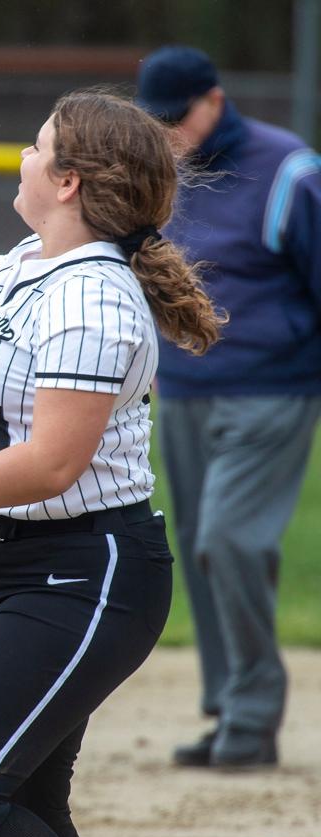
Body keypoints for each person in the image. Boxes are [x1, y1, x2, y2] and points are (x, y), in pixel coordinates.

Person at [0, 75, 224, 837]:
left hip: (81, 573)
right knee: (29, 803)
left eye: (38, 146)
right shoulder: (36, 261)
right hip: (11, 564)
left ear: (68, 182)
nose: (23, 156)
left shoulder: (92, 296)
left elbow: (51, 466)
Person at [135, 45, 321, 770]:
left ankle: (252, 715)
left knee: (230, 541)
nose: (171, 132)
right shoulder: (158, 172)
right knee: (200, 553)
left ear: (215, 100)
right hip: (184, 392)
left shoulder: (289, 171)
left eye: (180, 117)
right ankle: (228, 711)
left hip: (273, 390)